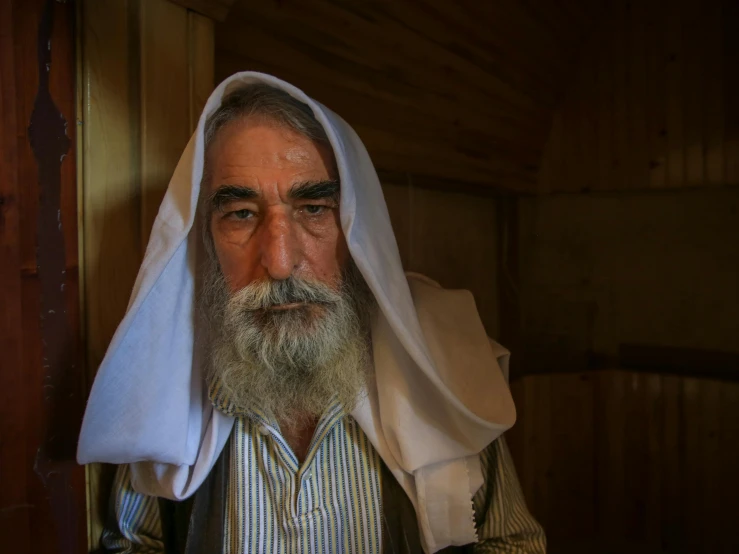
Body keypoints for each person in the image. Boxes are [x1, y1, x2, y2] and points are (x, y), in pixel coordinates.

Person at [78, 73, 545, 554]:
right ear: (206, 239)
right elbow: (133, 544)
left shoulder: (440, 369)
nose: (280, 263)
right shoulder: (167, 387)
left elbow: (511, 543)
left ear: (359, 231)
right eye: (241, 214)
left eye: (314, 208)